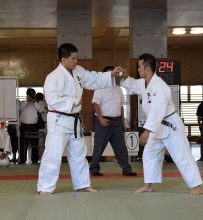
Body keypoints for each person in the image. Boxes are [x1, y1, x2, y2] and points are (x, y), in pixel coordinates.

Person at [37, 43, 125, 196]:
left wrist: (110, 74)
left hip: (74, 120)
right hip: (59, 119)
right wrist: (73, 101)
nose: (76, 61)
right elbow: (51, 99)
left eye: (76, 58)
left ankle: (82, 184)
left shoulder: (78, 71)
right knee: (53, 154)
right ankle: (45, 187)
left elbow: (93, 78)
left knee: (79, 153)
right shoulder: (53, 77)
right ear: (63, 59)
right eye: (73, 58)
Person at [120, 53, 202, 195]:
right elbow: (132, 85)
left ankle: (197, 186)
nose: (138, 69)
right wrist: (124, 76)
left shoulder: (160, 86)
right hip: (157, 127)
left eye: (139, 67)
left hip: (171, 126)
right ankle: (148, 185)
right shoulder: (142, 83)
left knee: (182, 155)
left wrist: (146, 131)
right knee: (149, 154)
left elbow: (158, 111)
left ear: (147, 68)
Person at [89, 65, 137, 176]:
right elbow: (96, 104)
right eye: (109, 73)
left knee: (121, 147)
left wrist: (123, 122)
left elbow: (121, 106)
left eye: (113, 73)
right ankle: (94, 169)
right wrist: (100, 119)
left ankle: (127, 169)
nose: (112, 75)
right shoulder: (100, 87)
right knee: (99, 146)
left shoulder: (119, 88)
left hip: (117, 122)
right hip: (104, 121)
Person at [19, 88, 45, 164]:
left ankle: (34, 161)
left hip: (34, 127)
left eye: (32, 94)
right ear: (27, 95)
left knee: (35, 145)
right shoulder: (23, 103)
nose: (31, 96)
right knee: (23, 144)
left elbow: (41, 110)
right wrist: (27, 101)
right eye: (29, 94)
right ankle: (22, 160)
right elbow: (19, 109)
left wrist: (34, 102)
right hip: (24, 126)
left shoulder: (37, 104)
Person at [36, 92, 48, 161]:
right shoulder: (46, 104)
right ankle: (46, 157)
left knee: (40, 141)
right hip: (48, 125)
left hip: (41, 125)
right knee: (47, 142)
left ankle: (41, 157)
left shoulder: (37, 105)